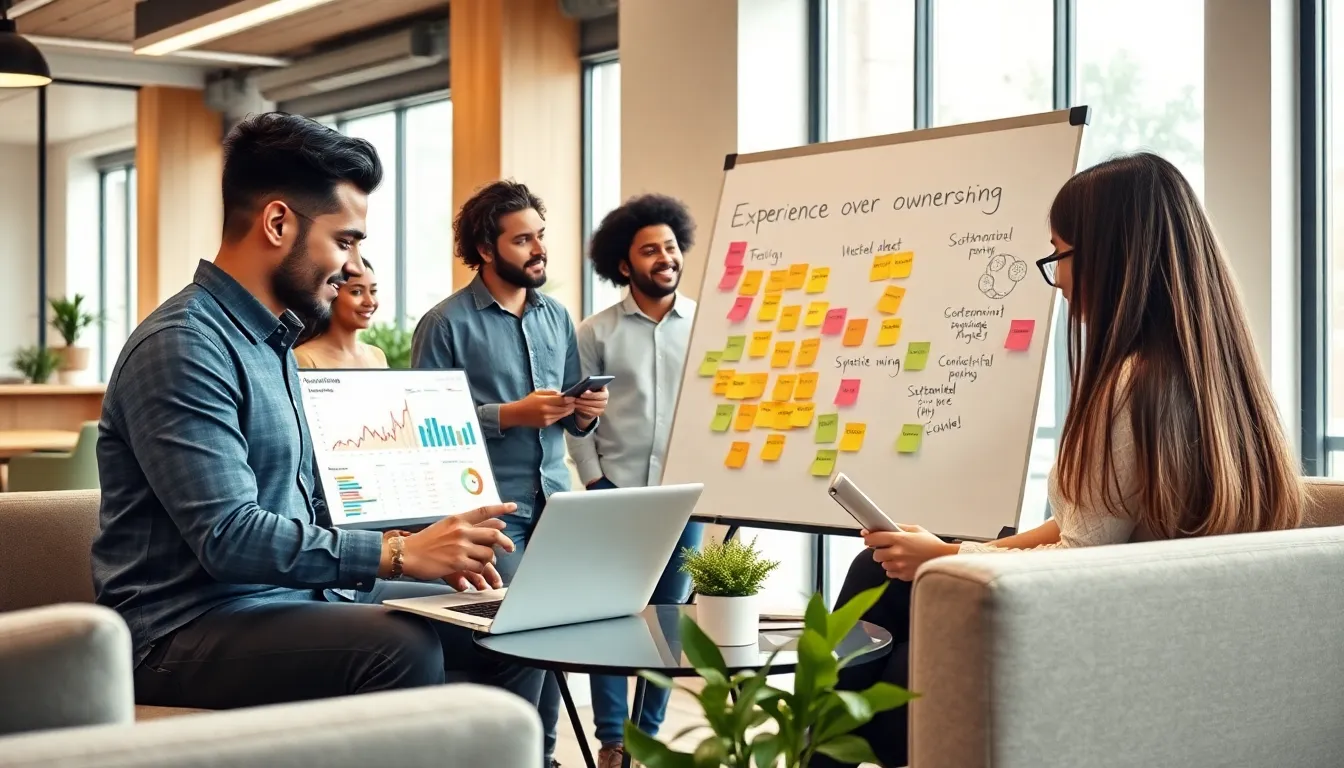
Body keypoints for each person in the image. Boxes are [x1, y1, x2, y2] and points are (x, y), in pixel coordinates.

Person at [815, 152, 1305, 768]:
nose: (1057, 277)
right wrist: (951, 552)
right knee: (884, 579)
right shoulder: (1221, 380)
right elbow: (1097, 524)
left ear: (1109, 257)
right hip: (1179, 630)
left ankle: (814, 746)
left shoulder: (1129, 387)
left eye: (1058, 254)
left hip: (1108, 640)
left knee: (872, 631)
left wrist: (946, 560)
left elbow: (1079, 560)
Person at [92, 113, 551, 766]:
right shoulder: (184, 346)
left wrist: (428, 536)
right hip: (180, 628)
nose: (352, 266)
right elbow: (229, 537)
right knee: (400, 647)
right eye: (345, 241)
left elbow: (303, 506)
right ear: (278, 223)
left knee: (506, 622)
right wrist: (397, 554)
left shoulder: (274, 341)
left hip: (284, 600)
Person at [411, 179, 608, 765]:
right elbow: (423, 427)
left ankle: (539, 756)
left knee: (551, 640)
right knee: (521, 637)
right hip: (491, 513)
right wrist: (509, 415)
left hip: (557, 507)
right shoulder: (444, 324)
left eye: (540, 235)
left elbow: (573, 421)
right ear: (486, 248)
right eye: (523, 240)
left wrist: (586, 412)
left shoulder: (557, 317)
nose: (539, 249)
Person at [565, 194, 701, 768]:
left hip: (683, 500)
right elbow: (577, 414)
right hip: (615, 494)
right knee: (609, 618)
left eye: (670, 246)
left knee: (667, 623)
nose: (665, 257)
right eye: (650, 250)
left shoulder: (705, 326)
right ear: (625, 264)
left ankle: (647, 741)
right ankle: (612, 743)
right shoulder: (595, 332)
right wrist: (594, 480)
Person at [293, 256, 388, 368]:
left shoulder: (377, 356)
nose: (370, 301)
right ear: (330, 294)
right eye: (356, 292)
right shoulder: (304, 358)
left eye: (373, 291)